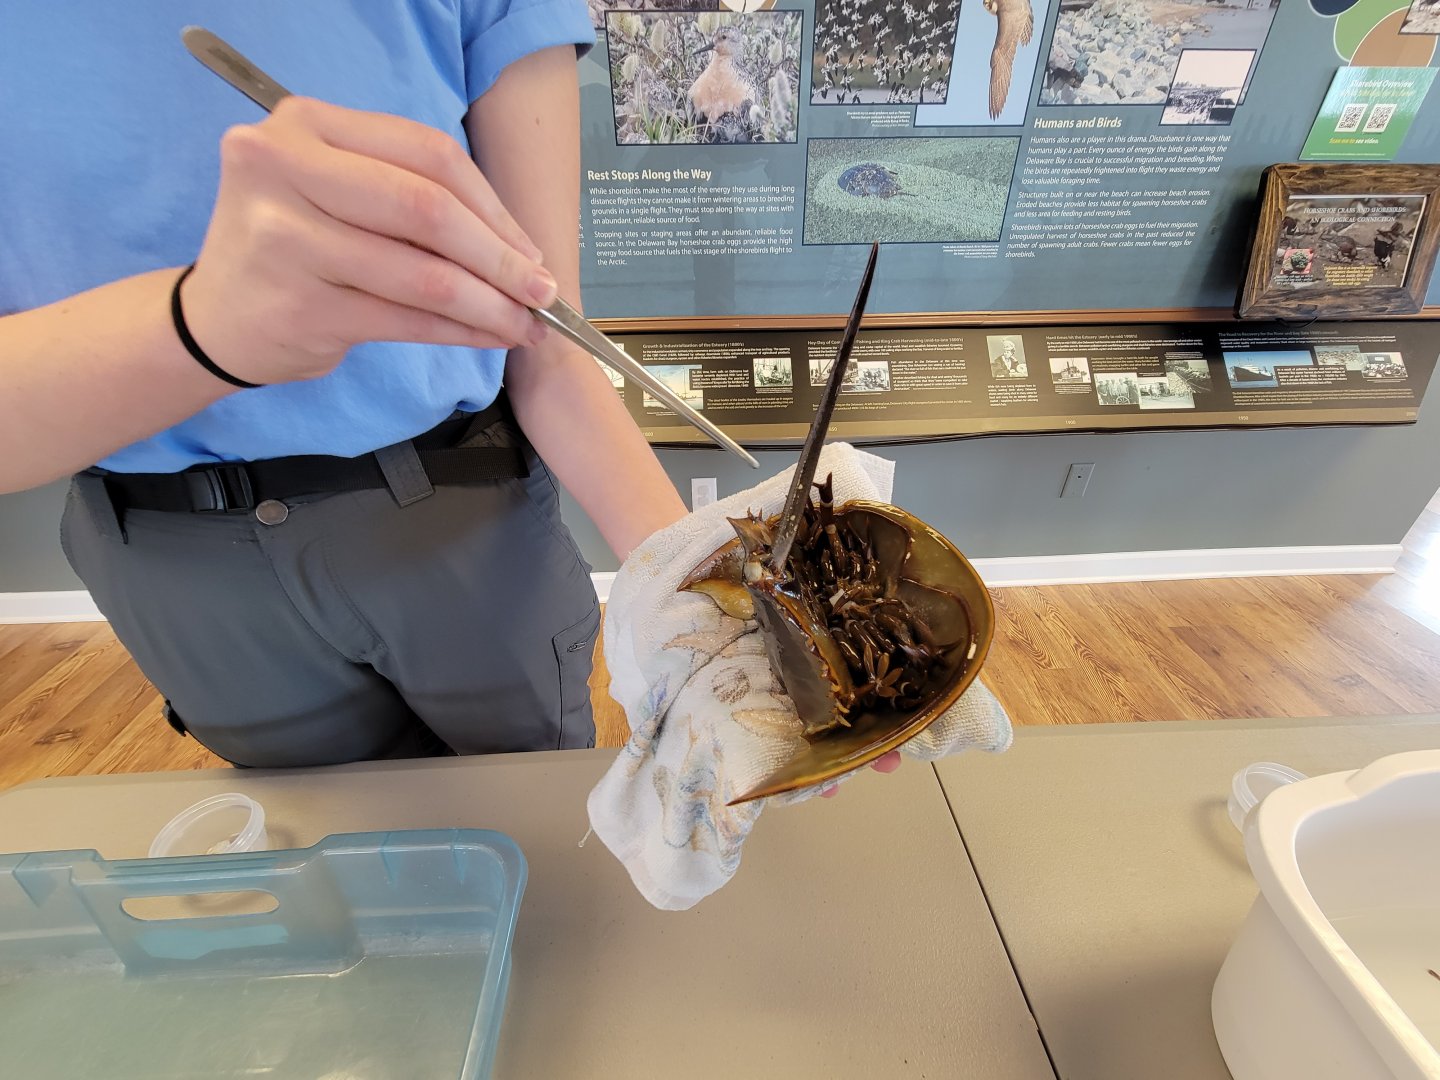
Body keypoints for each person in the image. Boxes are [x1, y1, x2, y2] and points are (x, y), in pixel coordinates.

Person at [0, 3, 688, 766]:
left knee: (530, 817)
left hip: (455, 521)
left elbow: (552, 345)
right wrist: (197, 326)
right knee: (327, 859)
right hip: (169, 552)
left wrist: (694, 607)